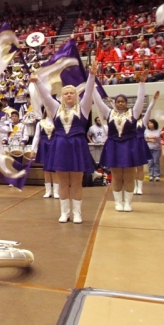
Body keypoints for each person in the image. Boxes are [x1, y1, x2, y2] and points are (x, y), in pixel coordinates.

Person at [35, 62, 98, 224]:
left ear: (76, 95)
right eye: (66, 93)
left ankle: (77, 213)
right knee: (62, 182)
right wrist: (37, 81)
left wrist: (91, 75)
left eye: (72, 93)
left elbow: (89, 92)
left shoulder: (83, 108)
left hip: (77, 146)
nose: (69, 95)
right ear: (62, 96)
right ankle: (65, 212)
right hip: (60, 146)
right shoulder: (55, 108)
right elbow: (46, 97)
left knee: (76, 182)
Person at [93, 79, 148, 212]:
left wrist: (142, 83)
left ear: (127, 103)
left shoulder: (133, 113)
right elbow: (98, 101)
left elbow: (140, 99)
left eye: (123, 101)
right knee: (116, 175)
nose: (120, 103)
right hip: (113, 146)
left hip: (129, 146)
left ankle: (128, 202)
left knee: (129, 175)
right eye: (118, 101)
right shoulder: (109, 113)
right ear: (115, 103)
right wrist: (92, 86)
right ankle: (118, 201)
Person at [29, 108, 57, 198]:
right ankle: (48, 191)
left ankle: (56, 191)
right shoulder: (40, 123)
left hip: (54, 145)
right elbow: (36, 137)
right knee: (46, 169)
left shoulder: (57, 122)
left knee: (54, 169)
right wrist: (33, 149)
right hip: (44, 145)